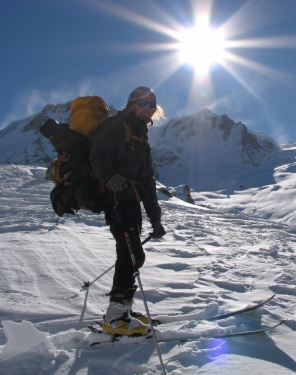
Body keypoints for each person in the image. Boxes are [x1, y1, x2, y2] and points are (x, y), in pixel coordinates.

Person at [89, 86, 166, 337]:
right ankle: (116, 316)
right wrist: (108, 177)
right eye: (142, 102)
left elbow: (148, 182)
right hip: (116, 198)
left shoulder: (141, 138)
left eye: (151, 105)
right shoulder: (116, 125)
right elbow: (98, 154)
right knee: (132, 255)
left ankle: (122, 311)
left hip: (131, 203)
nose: (147, 108)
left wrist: (155, 218)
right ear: (132, 103)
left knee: (130, 254)